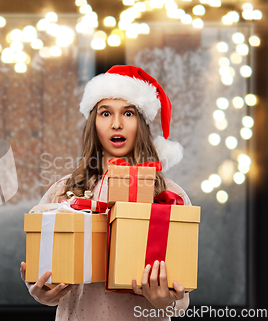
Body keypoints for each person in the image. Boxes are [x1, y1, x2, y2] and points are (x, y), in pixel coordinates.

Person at [20, 65, 192, 320]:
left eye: (129, 113)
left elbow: (181, 301)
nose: (117, 124)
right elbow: (42, 272)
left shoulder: (171, 195)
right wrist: (40, 292)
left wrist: (166, 300)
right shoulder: (62, 190)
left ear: (142, 123)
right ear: (94, 122)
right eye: (105, 113)